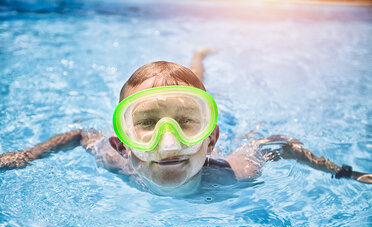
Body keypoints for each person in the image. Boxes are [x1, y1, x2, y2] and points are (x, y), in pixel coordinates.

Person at [0, 48, 371, 195]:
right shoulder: (113, 159)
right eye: (146, 122)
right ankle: (197, 65)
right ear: (122, 142)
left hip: (227, 140)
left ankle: (199, 62)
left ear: (211, 140)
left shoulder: (234, 172)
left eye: (187, 122)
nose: (169, 141)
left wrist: (346, 173)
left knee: (249, 131)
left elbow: (279, 144)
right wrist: (25, 156)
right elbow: (80, 134)